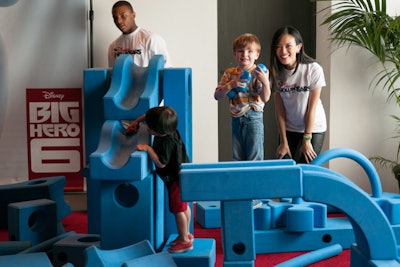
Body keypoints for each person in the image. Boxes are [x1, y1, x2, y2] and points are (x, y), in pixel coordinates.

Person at [127, 106, 193, 253]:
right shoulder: (169, 128)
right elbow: (148, 115)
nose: (147, 127)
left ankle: (184, 241)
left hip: (175, 179)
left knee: (178, 209)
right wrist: (138, 121)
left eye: (148, 126)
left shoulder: (166, 142)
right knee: (184, 206)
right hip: (183, 175)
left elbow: (161, 163)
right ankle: (186, 234)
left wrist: (147, 148)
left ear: (155, 131)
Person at [269, 26, 327, 164]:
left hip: (313, 128)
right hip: (289, 128)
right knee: (285, 169)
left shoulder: (313, 69)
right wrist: (283, 141)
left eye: (288, 46)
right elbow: (280, 110)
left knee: (305, 169)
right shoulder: (276, 73)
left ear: (298, 47)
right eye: (278, 47)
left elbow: (311, 108)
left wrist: (307, 139)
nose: (283, 51)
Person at [214, 33, 271, 162]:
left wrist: (266, 82)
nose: (245, 54)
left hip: (254, 118)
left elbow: (265, 98)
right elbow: (217, 95)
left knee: (254, 158)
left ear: (257, 54)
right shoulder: (229, 73)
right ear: (235, 54)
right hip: (236, 119)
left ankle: (255, 182)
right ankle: (241, 182)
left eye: (250, 51)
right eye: (241, 51)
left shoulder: (260, 72)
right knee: (237, 156)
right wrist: (230, 85)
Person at [108, 1, 171, 68]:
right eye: (115, 17)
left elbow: (166, 69)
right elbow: (113, 74)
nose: (119, 21)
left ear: (133, 15)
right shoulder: (113, 47)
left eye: (123, 16)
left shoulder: (151, 39)